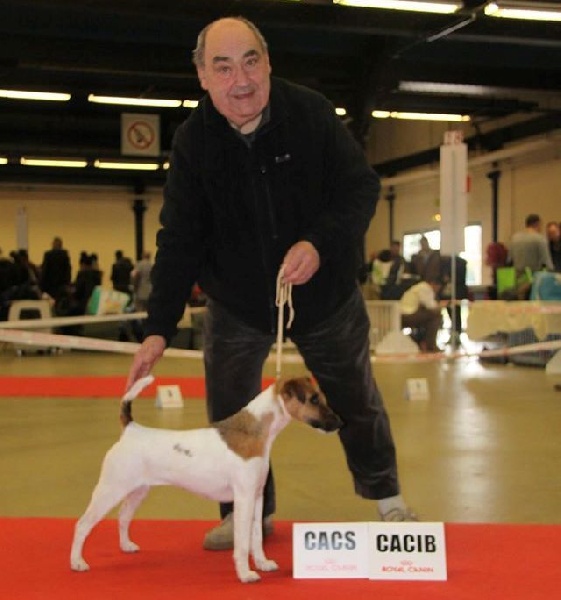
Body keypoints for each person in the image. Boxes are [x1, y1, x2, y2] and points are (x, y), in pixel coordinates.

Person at [126, 16, 416, 552]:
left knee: (355, 399)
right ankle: (247, 515)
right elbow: (180, 239)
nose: (241, 80)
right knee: (232, 412)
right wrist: (158, 327)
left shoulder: (311, 113)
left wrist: (318, 244)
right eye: (223, 67)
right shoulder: (193, 142)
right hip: (236, 304)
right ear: (202, 77)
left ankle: (388, 499)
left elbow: (359, 189)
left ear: (268, 62)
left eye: (250, 61)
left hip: (327, 298)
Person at [508, 214, 553, 299]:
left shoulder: (514, 238)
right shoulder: (540, 239)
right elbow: (547, 263)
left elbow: (509, 259)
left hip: (517, 281)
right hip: (534, 281)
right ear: (537, 224)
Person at [400, 278, 444, 353]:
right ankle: (430, 345)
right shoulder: (426, 288)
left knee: (429, 316)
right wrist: (441, 306)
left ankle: (422, 341)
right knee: (436, 316)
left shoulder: (417, 287)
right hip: (408, 315)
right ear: (435, 285)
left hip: (402, 314)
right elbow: (431, 306)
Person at [40, 236, 71, 302]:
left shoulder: (48, 255)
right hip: (62, 284)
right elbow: (68, 270)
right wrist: (67, 283)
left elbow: (45, 271)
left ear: (53, 245)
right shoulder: (65, 255)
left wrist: (42, 287)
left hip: (49, 285)